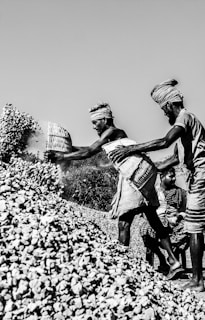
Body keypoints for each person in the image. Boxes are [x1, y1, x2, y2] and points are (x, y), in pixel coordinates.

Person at [109, 79, 205, 292]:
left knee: (193, 226)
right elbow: (168, 161)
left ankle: (197, 280)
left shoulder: (184, 117)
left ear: (171, 105)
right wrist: (141, 166)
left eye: (164, 110)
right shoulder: (185, 133)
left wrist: (131, 150)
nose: (165, 115)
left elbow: (164, 141)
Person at [46, 102, 183, 279]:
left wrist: (62, 156)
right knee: (154, 220)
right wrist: (66, 150)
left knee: (124, 223)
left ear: (104, 119)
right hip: (143, 174)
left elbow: (89, 151)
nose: (94, 127)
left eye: (95, 123)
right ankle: (174, 262)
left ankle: (123, 269)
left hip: (135, 176)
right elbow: (89, 150)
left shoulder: (111, 132)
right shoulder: (113, 137)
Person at [139, 166, 189, 273]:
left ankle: (174, 260)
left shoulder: (181, 193)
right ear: (162, 177)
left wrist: (178, 217)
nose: (174, 179)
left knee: (188, 228)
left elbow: (185, 211)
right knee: (145, 229)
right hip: (157, 221)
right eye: (171, 176)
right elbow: (145, 212)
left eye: (174, 176)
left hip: (175, 223)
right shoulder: (153, 192)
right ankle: (162, 259)